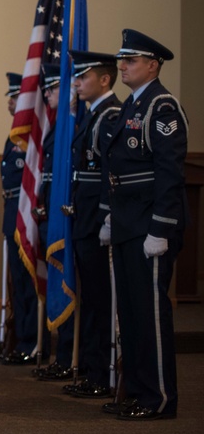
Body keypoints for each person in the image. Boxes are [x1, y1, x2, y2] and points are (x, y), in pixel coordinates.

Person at [99, 29, 185, 420]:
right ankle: (136, 391)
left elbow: (169, 174)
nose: (123, 66)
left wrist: (161, 229)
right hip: (127, 223)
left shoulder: (161, 106)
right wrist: (109, 217)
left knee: (150, 316)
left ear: (153, 65)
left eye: (131, 60)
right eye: (121, 60)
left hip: (149, 225)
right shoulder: (132, 106)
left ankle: (159, 398)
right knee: (131, 315)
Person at [62, 50, 121, 399]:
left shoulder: (110, 115)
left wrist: (105, 217)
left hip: (97, 220)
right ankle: (92, 369)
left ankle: (101, 373)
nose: (77, 83)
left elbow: (107, 176)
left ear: (104, 79)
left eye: (83, 77)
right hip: (84, 218)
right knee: (92, 298)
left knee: (100, 299)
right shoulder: (93, 114)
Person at [33, 64, 75, 382]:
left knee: (69, 286)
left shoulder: (72, 125)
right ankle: (61, 355)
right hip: (51, 217)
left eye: (52, 88)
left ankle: (71, 356)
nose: (46, 94)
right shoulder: (55, 127)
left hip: (68, 220)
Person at [0, 72, 39, 366]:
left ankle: (32, 342)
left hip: (27, 214)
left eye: (15, 97)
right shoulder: (14, 134)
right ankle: (22, 339)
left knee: (28, 282)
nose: (11, 103)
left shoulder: (31, 136)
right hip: (13, 211)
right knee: (18, 284)